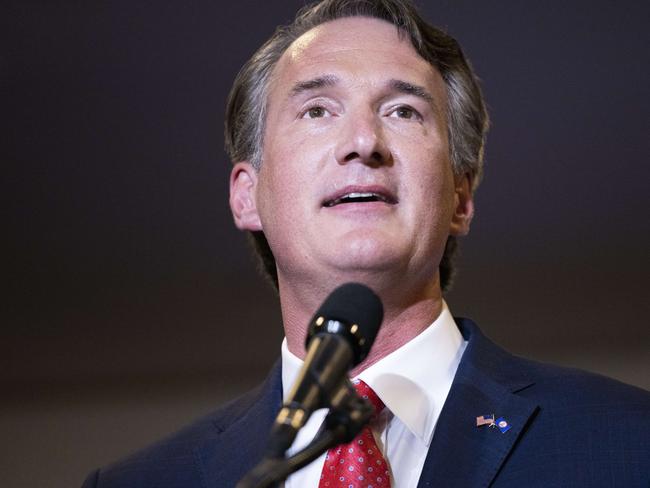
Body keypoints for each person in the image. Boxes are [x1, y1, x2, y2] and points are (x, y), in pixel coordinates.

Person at [82, 1, 650, 486]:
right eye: (317, 110)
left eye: (402, 110)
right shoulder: (145, 481)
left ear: (460, 195)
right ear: (247, 195)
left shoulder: (628, 440)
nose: (362, 142)